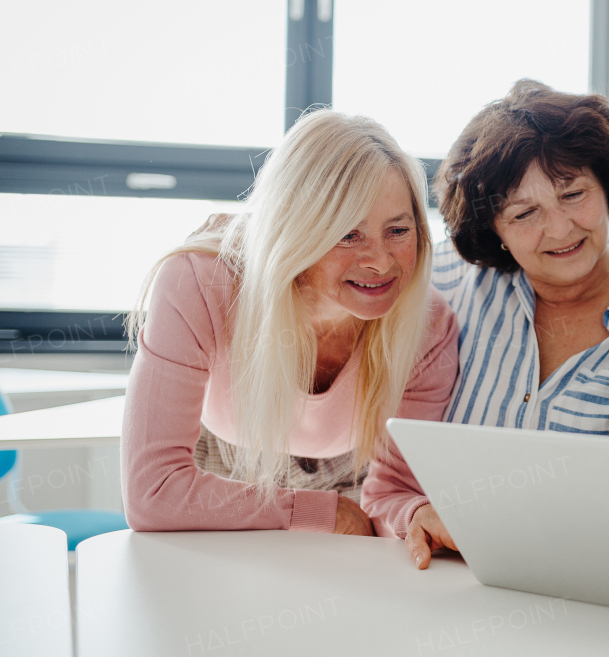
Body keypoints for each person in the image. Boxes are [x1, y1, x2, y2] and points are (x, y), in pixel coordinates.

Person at [362, 80, 609, 566]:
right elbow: (388, 489)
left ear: (608, 189)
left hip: (605, 588)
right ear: (494, 231)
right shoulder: (447, 286)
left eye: (573, 194)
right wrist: (416, 514)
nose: (560, 229)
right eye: (525, 213)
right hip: (457, 589)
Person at [122, 109, 459, 535]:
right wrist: (319, 512)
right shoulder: (199, 282)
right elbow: (153, 493)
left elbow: (390, 494)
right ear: (296, 232)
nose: (380, 261)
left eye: (398, 230)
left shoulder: (428, 323)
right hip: (221, 471)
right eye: (348, 234)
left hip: (353, 476)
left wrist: (412, 517)